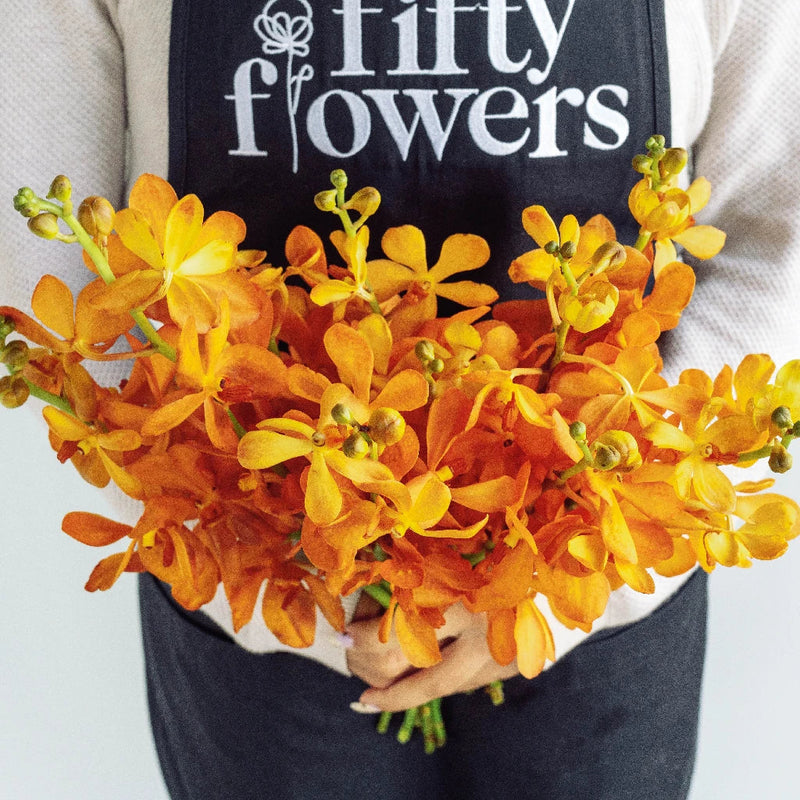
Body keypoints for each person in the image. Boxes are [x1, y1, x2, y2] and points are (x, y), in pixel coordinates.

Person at [2, 1, 799, 798]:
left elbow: (774, 226)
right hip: (268, 588)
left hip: (588, 578)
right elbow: (46, 255)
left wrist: (545, 577)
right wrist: (287, 543)